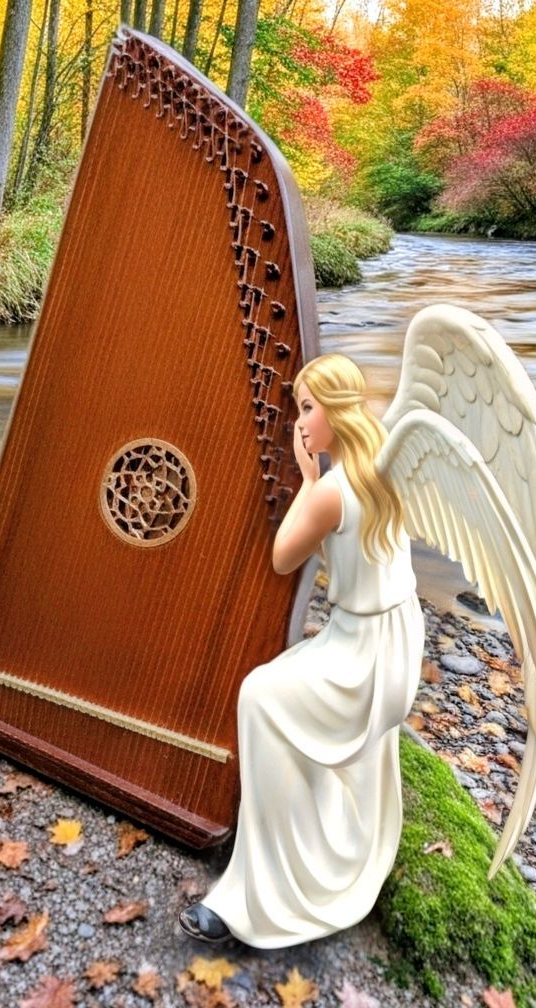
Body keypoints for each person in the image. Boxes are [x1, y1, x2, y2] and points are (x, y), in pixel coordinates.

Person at [179, 352, 425, 948]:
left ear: (338, 414)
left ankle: (267, 895)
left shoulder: (333, 489)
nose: (301, 424)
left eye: (309, 409)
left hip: (363, 654)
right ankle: (332, 836)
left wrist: (308, 477)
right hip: (396, 643)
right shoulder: (386, 468)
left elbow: (283, 556)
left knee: (260, 697)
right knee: (289, 675)